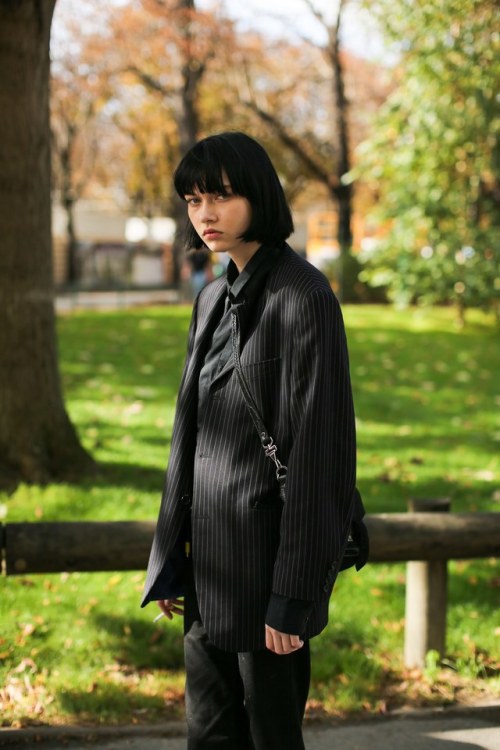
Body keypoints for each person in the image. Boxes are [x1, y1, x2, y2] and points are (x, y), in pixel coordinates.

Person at [142, 132, 358, 750]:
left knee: (271, 739)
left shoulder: (303, 297)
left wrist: (293, 595)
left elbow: (321, 455)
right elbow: (189, 434)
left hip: (268, 572)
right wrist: (169, 558)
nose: (204, 214)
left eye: (221, 196)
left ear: (258, 196)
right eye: (194, 200)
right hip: (207, 571)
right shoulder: (211, 297)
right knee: (208, 736)